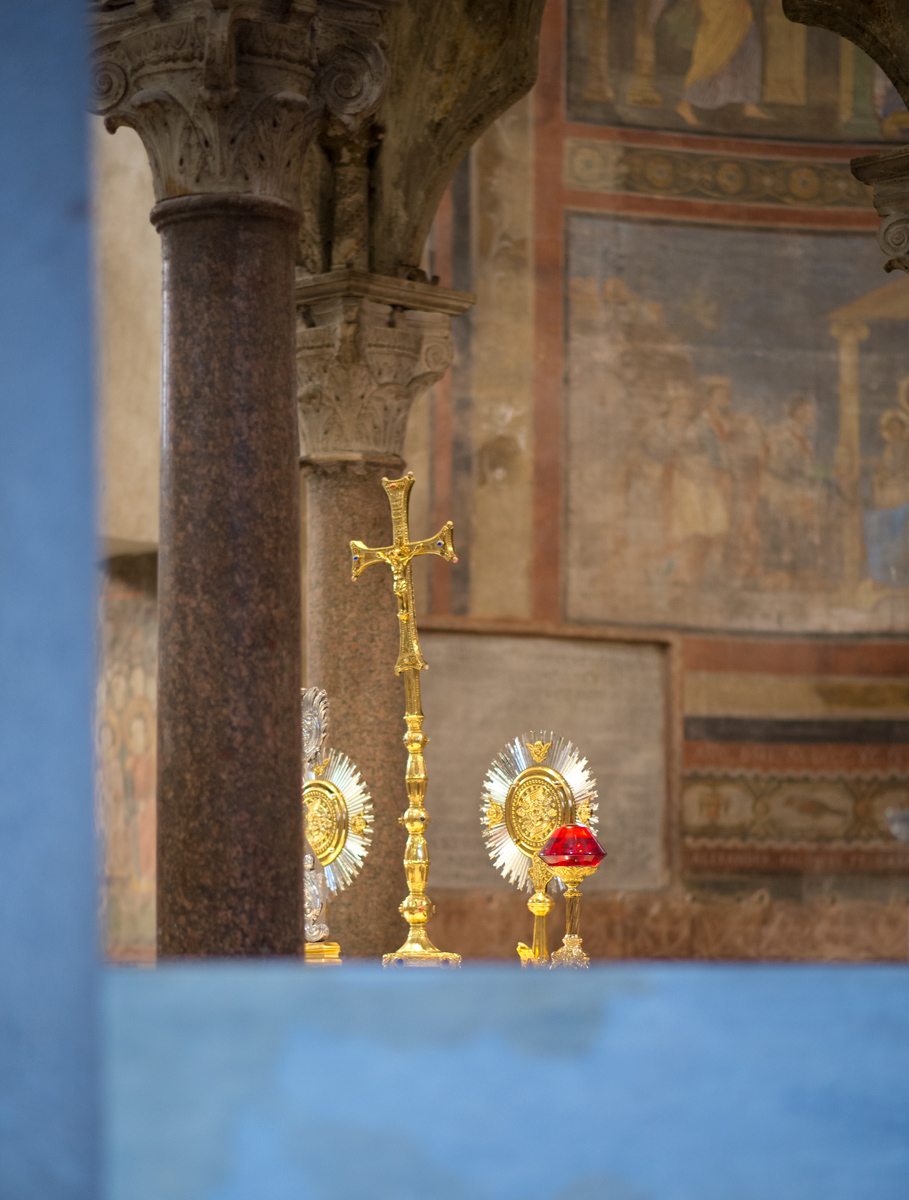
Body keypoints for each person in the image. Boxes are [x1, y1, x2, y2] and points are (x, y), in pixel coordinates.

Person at [668, 376, 732, 587]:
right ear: (709, 398)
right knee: (696, 529)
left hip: (711, 479)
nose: (726, 399)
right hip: (696, 480)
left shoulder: (721, 421)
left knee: (716, 529)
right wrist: (716, 474)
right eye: (720, 395)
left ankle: (708, 574)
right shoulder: (703, 423)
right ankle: (687, 574)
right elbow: (695, 454)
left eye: (727, 395)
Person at [674, 0, 769, 127]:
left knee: (748, 46)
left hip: (738, 6)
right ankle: (685, 103)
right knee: (714, 56)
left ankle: (749, 104)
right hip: (720, 6)